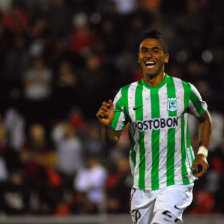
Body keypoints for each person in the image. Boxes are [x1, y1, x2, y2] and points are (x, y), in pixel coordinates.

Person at [96, 30, 212, 224]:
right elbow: (111, 141)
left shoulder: (183, 89)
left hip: (177, 180)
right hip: (142, 185)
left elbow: (205, 119)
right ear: (139, 58)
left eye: (155, 50)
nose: (149, 55)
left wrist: (202, 153)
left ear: (165, 57)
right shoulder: (126, 95)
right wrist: (107, 127)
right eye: (144, 51)